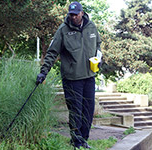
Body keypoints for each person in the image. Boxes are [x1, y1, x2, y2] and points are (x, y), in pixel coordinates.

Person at [36, 1, 102, 149]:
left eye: (76, 14)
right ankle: (76, 142)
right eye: (71, 15)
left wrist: (99, 59)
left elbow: (98, 44)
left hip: (89, 76)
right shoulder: (63, 30)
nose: (73, 17)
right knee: (75, 111)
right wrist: (43, 72)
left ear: (82, 13)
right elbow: (52, 52)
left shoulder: (91, 27)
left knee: (88, 110)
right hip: (72, 78)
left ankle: (84, 140)